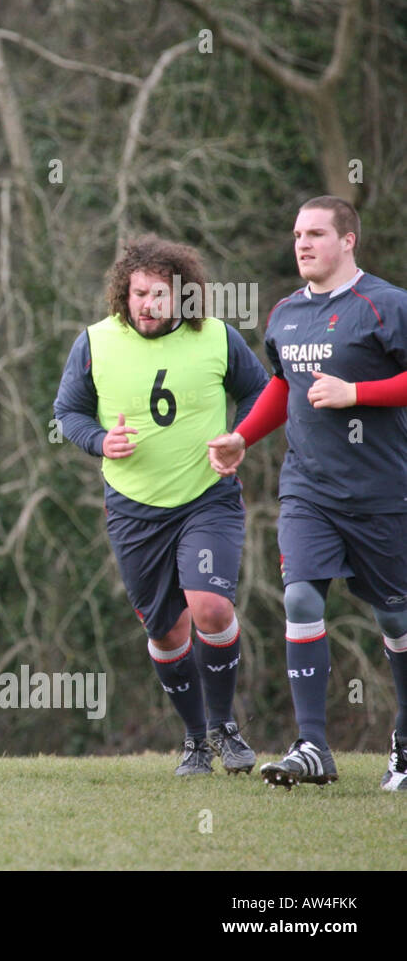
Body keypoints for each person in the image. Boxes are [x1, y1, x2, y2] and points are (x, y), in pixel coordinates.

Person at [208, 196, 407, 791]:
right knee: (299, 599)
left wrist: (358, 394)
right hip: (308, 490)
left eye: (316, 233)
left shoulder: (387, 305)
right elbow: (281, 384)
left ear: (349, 241)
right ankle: (313, 745)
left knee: (395, 616)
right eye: (297, 233)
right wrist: (243, 436)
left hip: (382, 491)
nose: (302, 244)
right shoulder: (286, 313)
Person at [55, 234, 268, 775]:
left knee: (211, 607)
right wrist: (100, 441)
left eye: (157, 295)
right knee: (166, 631)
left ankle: (224, 727)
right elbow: (68, 414)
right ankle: (194, 739)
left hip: (206, 499)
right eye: (136, 293)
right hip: (133, 508)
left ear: (184, 296)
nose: (146, 305)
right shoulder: (95, 342)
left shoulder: (217, 338)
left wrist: (239, 436)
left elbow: (262, 392)